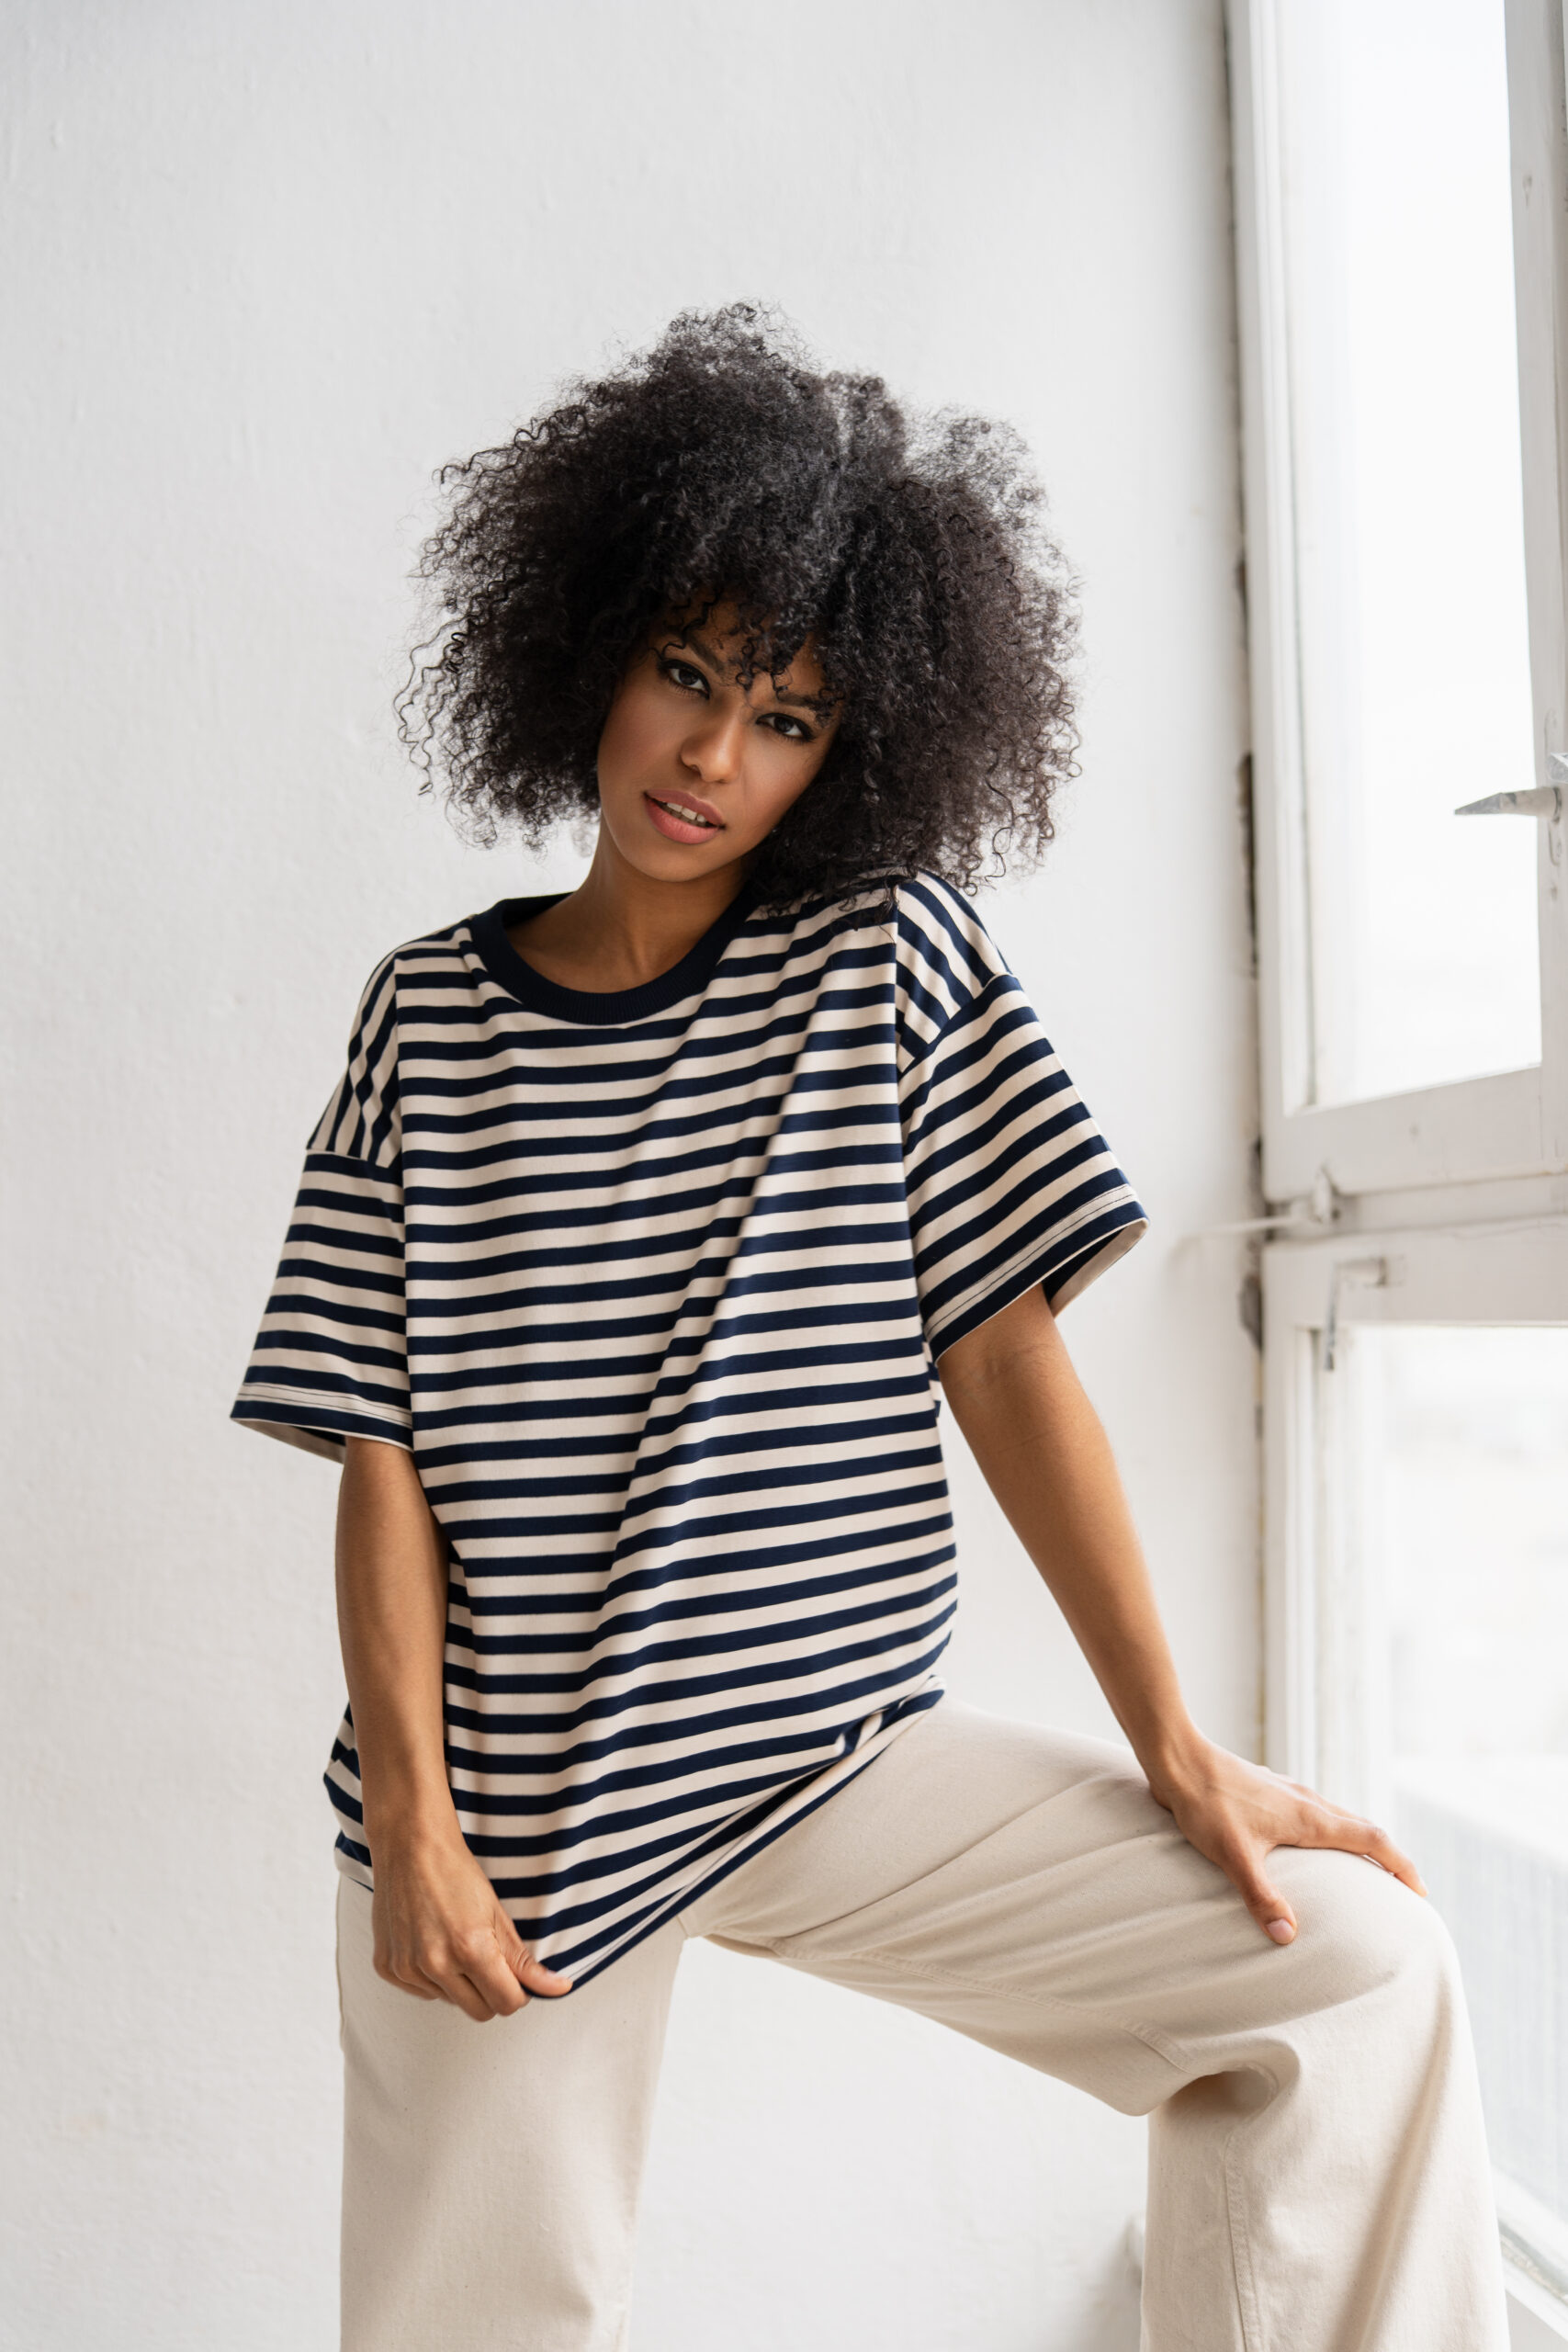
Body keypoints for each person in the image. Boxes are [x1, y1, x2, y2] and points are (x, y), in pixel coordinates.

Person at [233, 306, 1508, 2350]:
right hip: (512, 1796)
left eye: (788, 718)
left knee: (1351, 1968)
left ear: (851, 752)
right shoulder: (431, 1018)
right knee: (472, 2321)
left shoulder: (884, 956)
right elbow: (378, 1450)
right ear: (592, 651)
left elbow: (1007, 1358)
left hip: (829, 1749)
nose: (713, 757)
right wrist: (411, 1826)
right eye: (686, 675)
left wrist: (1175, 1747)